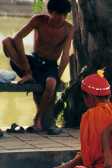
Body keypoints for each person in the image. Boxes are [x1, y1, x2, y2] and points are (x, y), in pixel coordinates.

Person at [2, 0, 73, 134]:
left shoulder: (68, 29)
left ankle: (38, 118)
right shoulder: (39, 20)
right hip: (32, 61)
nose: (62, 18)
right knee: (6, 42)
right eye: (58, 14)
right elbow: (18, 38)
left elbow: (65, 56)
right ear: (51, 12)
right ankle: (28, 75)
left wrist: (58, 76)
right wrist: (27, 69)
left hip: (50, 66)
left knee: (51, 83)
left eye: (65, 15)